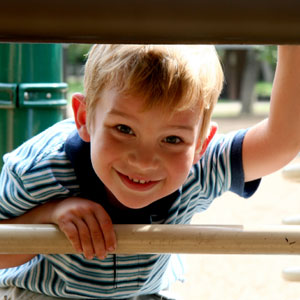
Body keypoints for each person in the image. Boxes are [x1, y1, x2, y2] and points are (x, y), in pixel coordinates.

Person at [0, 44, 299, 300]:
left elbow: (281, 142)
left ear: (201, 144)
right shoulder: (40, 168)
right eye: (124, 129)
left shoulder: (198, 167)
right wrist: (46, 217)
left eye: (172, 139)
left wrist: (291, 41)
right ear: (84, 117)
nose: (144, 161)